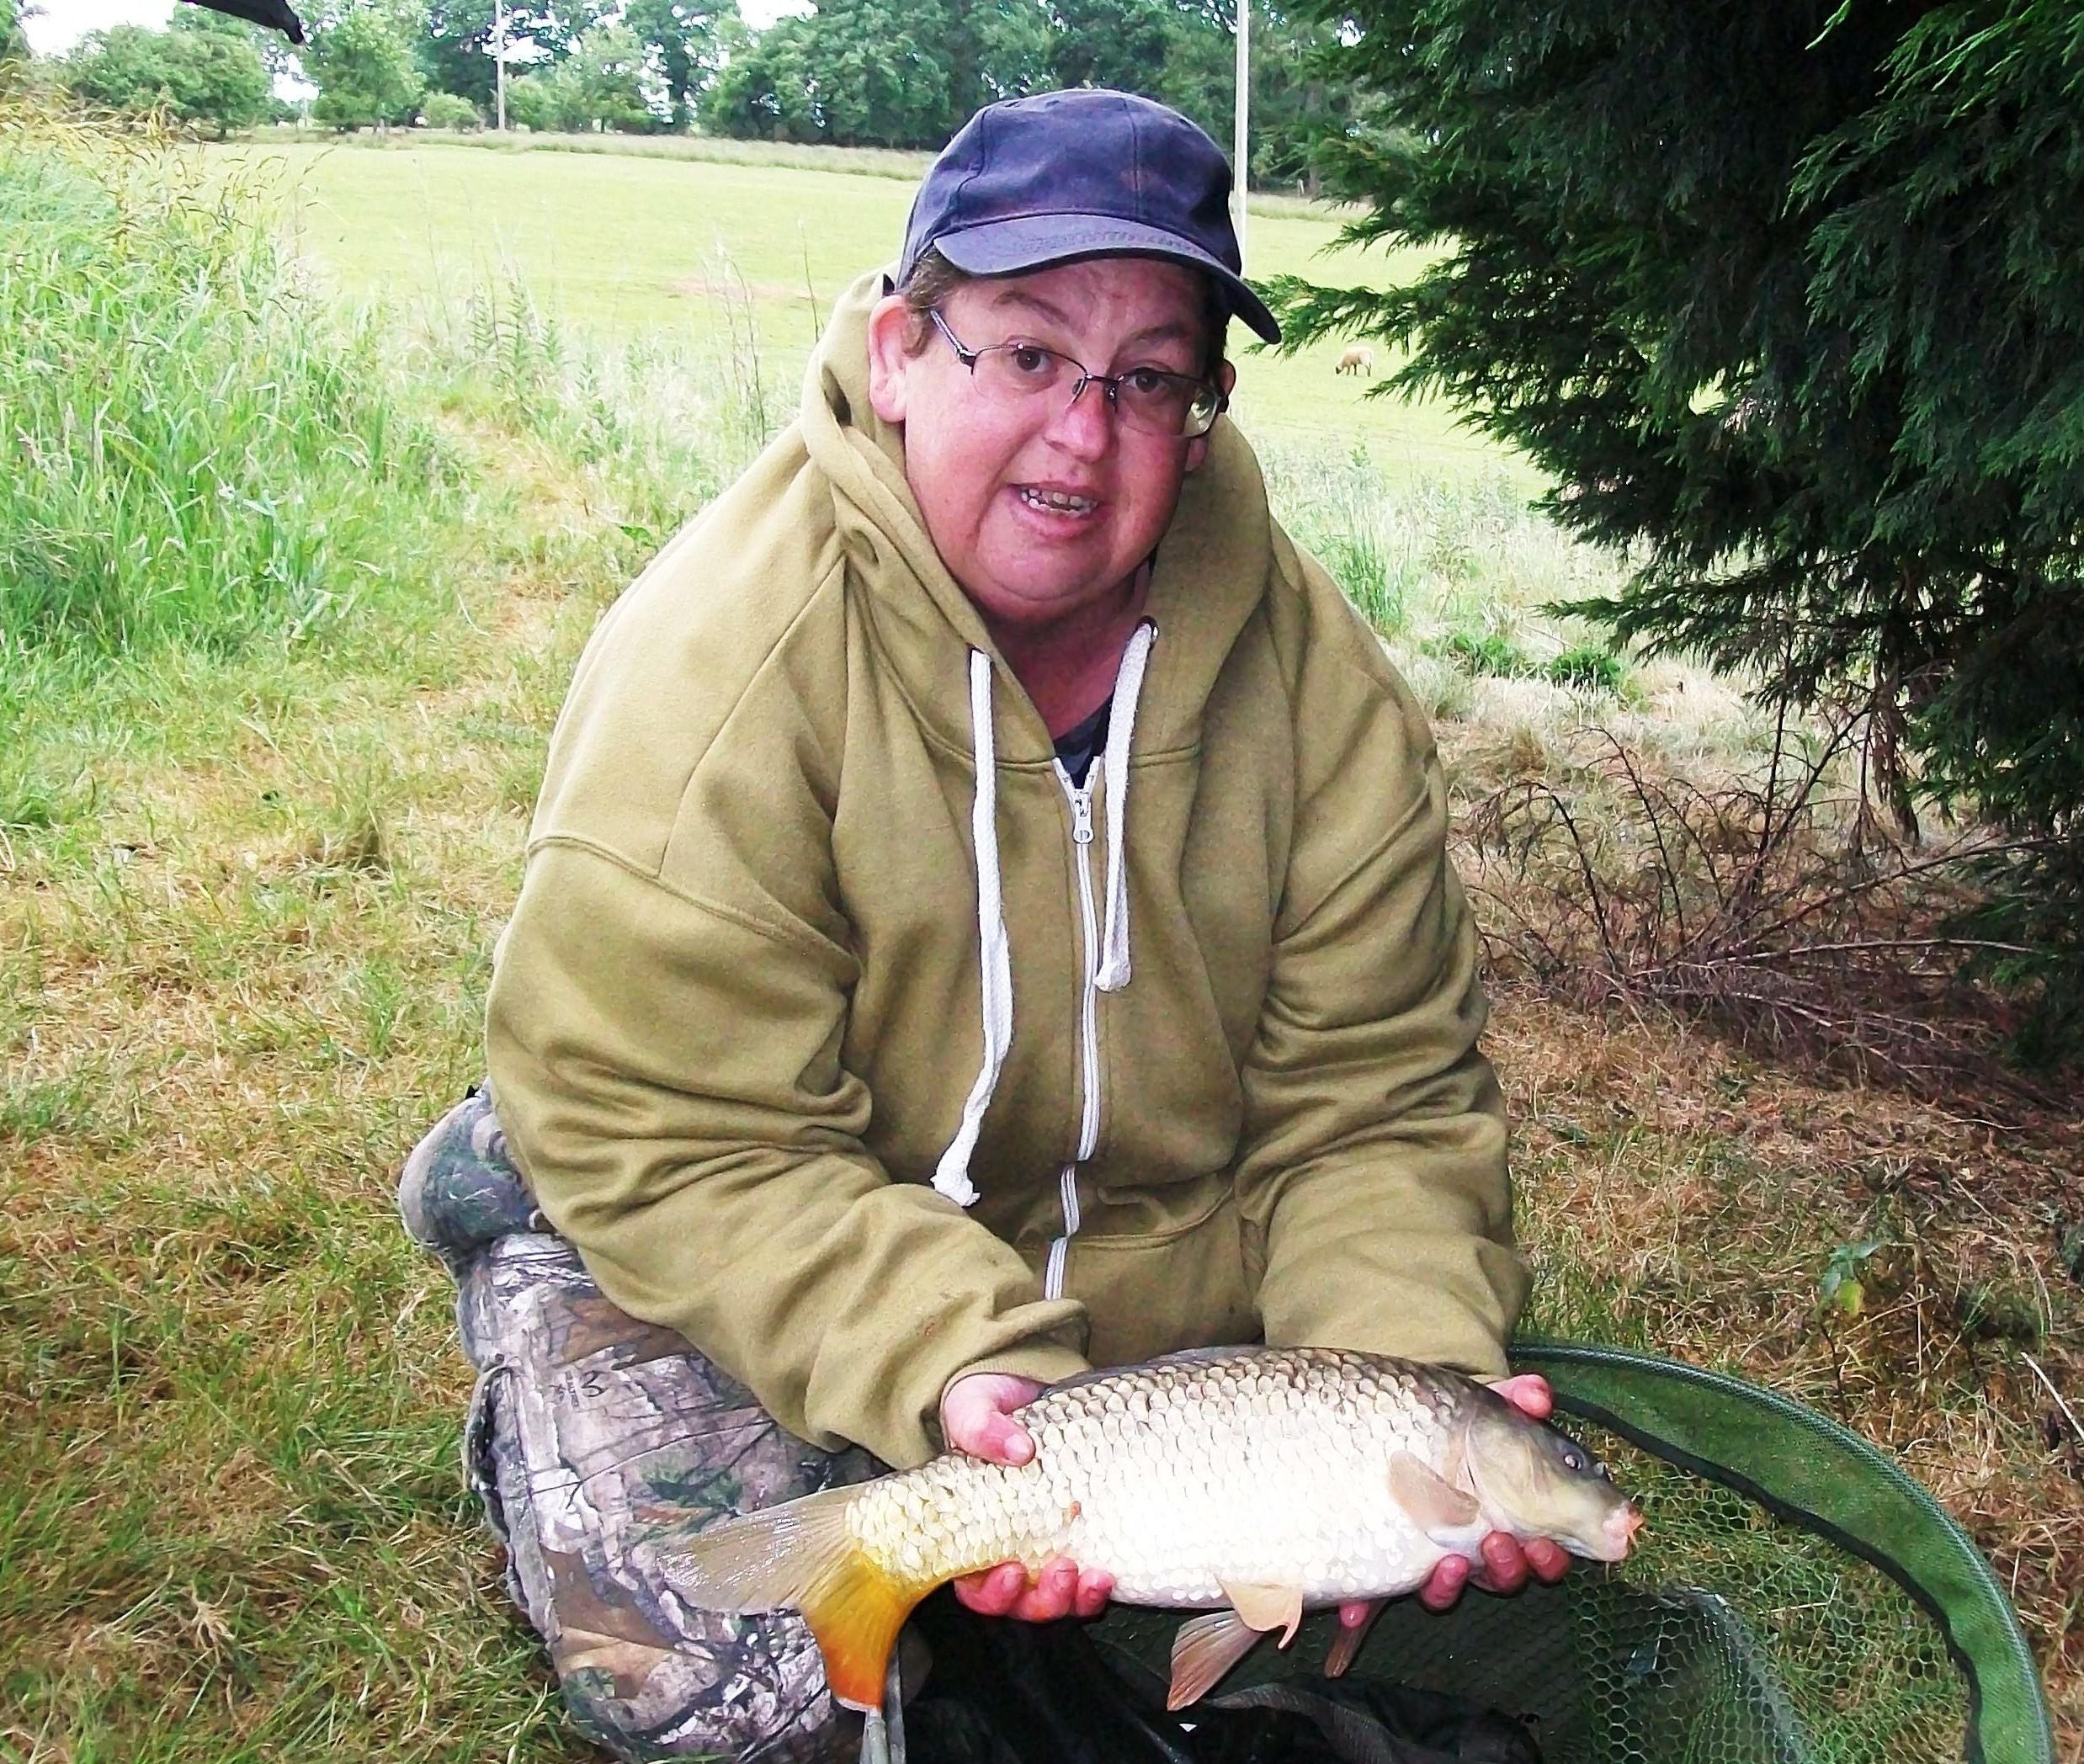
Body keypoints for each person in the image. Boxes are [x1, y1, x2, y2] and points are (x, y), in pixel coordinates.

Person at [401, 88, 1562, 1763]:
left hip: (1142, 1291)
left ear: (1206, 411)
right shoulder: (715, 676)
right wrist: (951, 1363)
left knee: (1375, 1596)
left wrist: (1396, 1407)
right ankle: (527, 1319)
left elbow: (1376, 1100)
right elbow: (687, 1132)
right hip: (748, 1214)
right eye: (1020, 355)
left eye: (1144, 379)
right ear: (896, 352)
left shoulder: (1321, 694)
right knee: (746, 1695)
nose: (1080, 438)